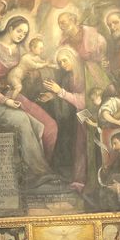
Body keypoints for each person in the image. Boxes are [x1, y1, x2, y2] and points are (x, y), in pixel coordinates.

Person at [0, 16, 58, 185]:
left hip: (12, 94)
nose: (21, 35)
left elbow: (23, 72)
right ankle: (38, 173)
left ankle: (41, 169)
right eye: (19, 31)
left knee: (49, 125)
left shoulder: (18, 49)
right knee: (22, 120)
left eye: (24, 33)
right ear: (10, 28)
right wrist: (5, 100)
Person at [42, 46, 87, 191]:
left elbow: (83, 101)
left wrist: (60, 92)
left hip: (88, 114)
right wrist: (53, 96)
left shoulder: (86, 73)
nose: (62, 64)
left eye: (65, 60)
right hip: (75, 115)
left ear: (73, 58)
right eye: (60, 62)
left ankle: (81, 179)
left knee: (81, 144)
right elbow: (68, 97)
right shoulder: (68, 77)